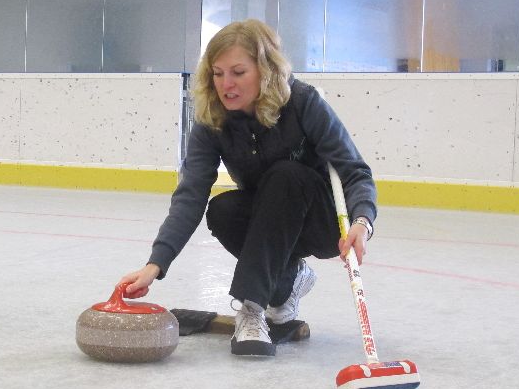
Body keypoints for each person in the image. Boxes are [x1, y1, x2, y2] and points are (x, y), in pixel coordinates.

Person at [118, 19, 377, 357]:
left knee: (286, 175)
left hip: (320, 223)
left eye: (238, 72)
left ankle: (251, 308)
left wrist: (362, 222)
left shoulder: (303, 102)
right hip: (268, 224)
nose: (226, 84)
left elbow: (355, 171)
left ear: (265, 71)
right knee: (223, 211)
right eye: (218, 73)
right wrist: (155, 264)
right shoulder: (212, 119)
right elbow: (190, 195)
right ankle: (288, 280)